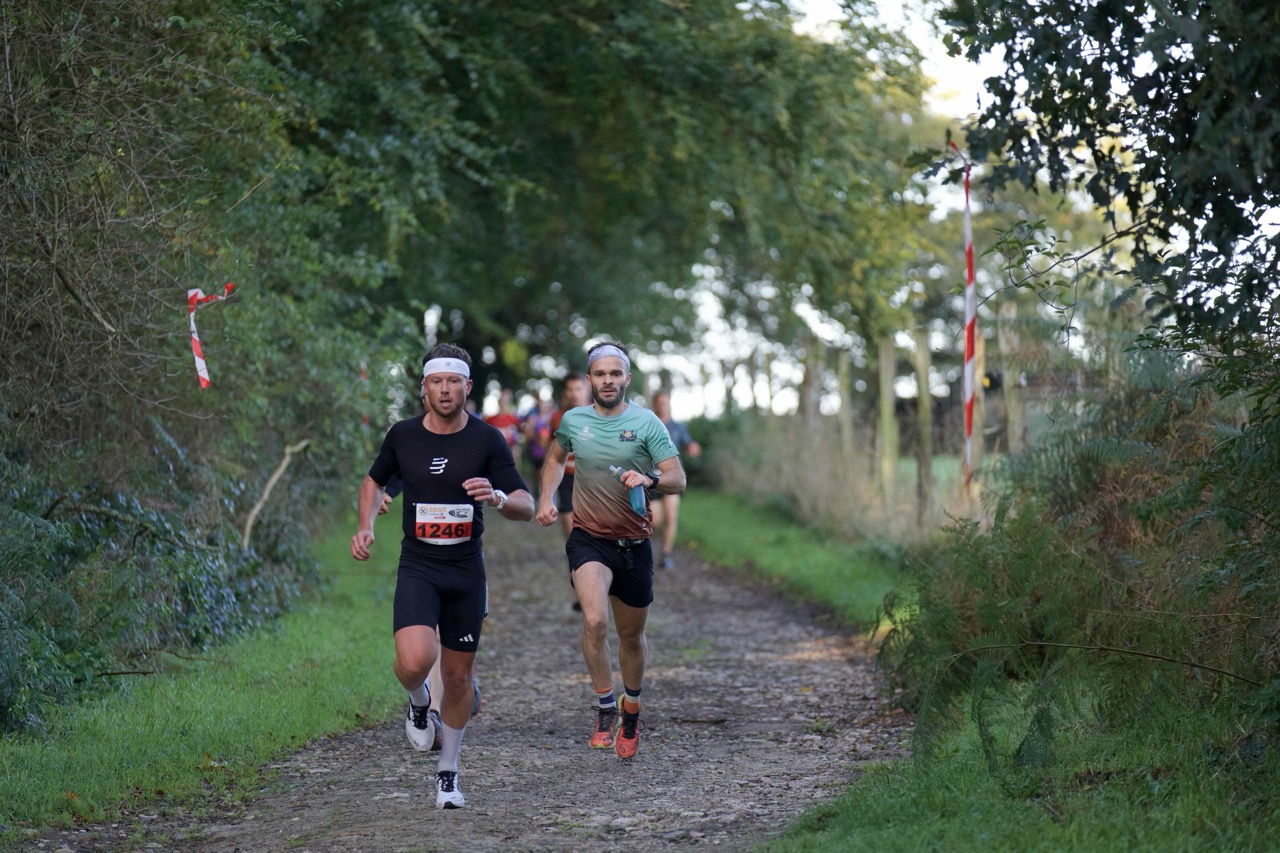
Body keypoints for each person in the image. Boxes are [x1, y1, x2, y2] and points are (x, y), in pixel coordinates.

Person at [351, 343, 533, 810]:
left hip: (466, 570)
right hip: (419, 565)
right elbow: (374, 481)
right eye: (437, 381)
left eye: (454, 381)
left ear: (468, 387)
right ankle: (418, 701)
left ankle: (447, 774)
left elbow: (526, 505)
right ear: (424, 388)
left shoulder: (487, 440)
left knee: (458, 676)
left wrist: (497, 497)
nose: (445, 389)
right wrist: (366, 525)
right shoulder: (403, 435)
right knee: (414, 661)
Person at [536, 341, 686, 759]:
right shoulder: (574, 420)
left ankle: (630, 709)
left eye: (615, 374)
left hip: (634, 543)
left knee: (631, 636)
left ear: (627, 378)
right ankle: (606, 706)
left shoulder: (647, 423)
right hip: (589, 538)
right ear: (589, 379)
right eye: (600, 374)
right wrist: (546, 497)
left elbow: (678, 478)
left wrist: (649, 479)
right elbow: (555, 459)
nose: (607, 381)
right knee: (595, 620)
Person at [647, 389, 702, 569]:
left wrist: (692, 448)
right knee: (654, 520)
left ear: (669, 404)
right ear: (654, 404)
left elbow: (687, 444)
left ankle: (666, 554)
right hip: (652, 478)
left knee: (671, 515)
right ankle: (645, 550)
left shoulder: (678, 427)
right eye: (658, 403)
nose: (662, 406)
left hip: (672, 478)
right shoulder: (647, 424)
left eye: (664, 402)